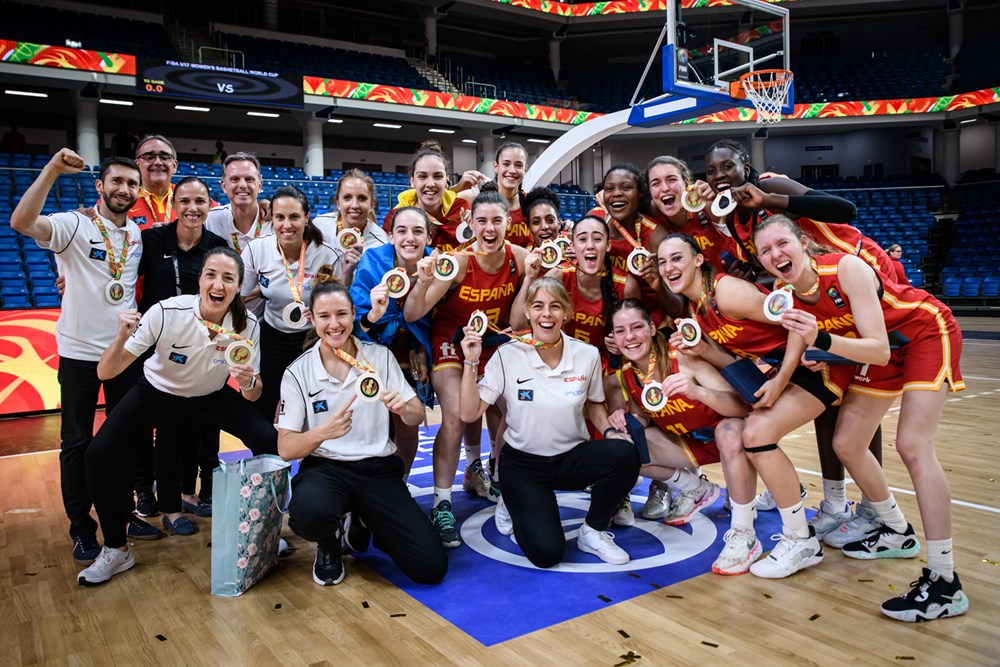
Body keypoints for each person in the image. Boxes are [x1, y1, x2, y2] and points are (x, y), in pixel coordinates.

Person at [753, 215, 968, 622]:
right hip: (880, 351)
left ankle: (944, 582)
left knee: (912, 445)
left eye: (782, 243)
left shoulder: (846, 268)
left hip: (922, 331)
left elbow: (878, 349)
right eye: (765, 251)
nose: (775, 254)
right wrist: (790, 373)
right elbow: (808, 343)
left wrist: (822, 341)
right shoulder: (784, 293)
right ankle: (897, 531)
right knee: (847, 444)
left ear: (802, 243)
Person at [78, 247, 279, 585]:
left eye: (228, 278)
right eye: (211, 275)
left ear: (238, 287)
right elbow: (105, 372)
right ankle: (116, 549)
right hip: (157, 392)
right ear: (199, 280)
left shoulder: (247, 325)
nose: (218, 284)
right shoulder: (166, 312)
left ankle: (264, 532)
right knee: (98, 455)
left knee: (269, 439)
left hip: (209, 396)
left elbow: (253, 393)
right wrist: (121, 337)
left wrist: (247, 381)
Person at [658, 233, 851, 579]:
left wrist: (780, 378)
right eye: (662, 262)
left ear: (698, 260)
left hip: (817, 364)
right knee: (731, 430)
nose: (668, 267)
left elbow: (798, 317)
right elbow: (733, 359)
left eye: (677, 258)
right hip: (784, 371)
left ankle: (800, 538)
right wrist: (703, 351)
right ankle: (746, 530)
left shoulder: (726, 292)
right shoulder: (698, 310)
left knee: (757, 434)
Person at [10, 148, 162, 567]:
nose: (124, 189)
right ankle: (81, 528)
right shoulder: (74, 224)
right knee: (76, 442)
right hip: (78, 353)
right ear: (100, 185)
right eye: (117, 181)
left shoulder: (136, 235)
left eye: (131, 183)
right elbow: (21, 222)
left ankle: (124, 515)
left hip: (123, 352)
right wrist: (52, 169)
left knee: (124, 438)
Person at [277, 267, 447, 587]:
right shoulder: (298, 372)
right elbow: (286, 449)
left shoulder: (379, 357)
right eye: (324, 316)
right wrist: (323, 432)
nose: (334, 324)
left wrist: (403, 407)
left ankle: (367, 520)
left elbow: (414, 416)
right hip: (326, 469)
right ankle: (328, 540)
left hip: (377, 470)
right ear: (311, 319)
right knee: (309, 514)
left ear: (354, 314)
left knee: (430, 568)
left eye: (341, 314)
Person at [459, 277, 641, 567]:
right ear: (527, 311)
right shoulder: (507, 355)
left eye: (555, 306)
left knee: (626, 453)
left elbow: (595, 402)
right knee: (547, 554)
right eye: (538, 306)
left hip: (571, 458)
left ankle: (592, 531)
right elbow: (469, 414)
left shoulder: (587, 354)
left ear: (566, 312)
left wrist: (608, 431)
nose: (546, 314)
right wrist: (470, 361)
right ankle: (514, 501)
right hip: (523, 464)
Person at [404, 188, 529, 546]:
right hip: (451, 343)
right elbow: (413, 313)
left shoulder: (520, 259)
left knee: (515, 409)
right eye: (482, 221)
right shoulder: (458, 262)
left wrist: (532, 279)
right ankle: (441, 503)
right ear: (470, 223)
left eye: (496, 221)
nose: (489, 228)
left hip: (492, 345)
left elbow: (519, 323)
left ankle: (495, 474)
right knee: (457, 415)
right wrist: (424, 281)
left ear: (508, 224)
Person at [607, 299, 760, 575]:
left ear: (652, 328)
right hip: (689, 444)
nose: (629, 336)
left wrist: (697, 392)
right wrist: (623, 418)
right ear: (614, 338)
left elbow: (740, 408)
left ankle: (743, 532)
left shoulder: (683, 358)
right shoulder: (628, 375)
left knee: (729, 431)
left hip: (727, 438)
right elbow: (643, 416)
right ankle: (696, 488)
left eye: (637, 327)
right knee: (625, 448)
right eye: (620, 331)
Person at [138, 176, 229, 530]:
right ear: (173, 204)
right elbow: (120, 276)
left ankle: (192, 494)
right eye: (185, 201)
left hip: (202, 347)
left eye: (200, 201)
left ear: (209, 206)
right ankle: (169, 507)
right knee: (169, 429)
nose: (192, 208)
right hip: (160, 348)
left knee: (200, 426)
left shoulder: (217, 246)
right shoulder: (151, 240)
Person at [240, 185, 342, 423]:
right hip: (272, 337)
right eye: (280, 217)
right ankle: (267, 448)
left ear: (307, 217)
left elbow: (338, 308)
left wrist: (319, 314)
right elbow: (238, 298)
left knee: (315, 410)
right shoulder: (257, 249)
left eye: (294, 217)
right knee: (263, 408)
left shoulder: (327, 255)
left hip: (312, 340)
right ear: (271, 219)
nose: (287, 225)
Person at [349, 207, 434, 474]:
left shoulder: (438, 266)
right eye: (402, 231)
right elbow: (355, 325)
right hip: (372, 349)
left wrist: (423, 351)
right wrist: (374, 314)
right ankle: (367, 485)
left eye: (418, 231)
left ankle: (401, 481)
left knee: (408, 426)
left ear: (428, 238)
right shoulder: (373, 260)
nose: (410, 238)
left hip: (412, 353)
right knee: (373, 422)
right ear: (391, 236)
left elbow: (441, 318)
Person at [595, 163, 680, 326]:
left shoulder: (657, 237)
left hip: (649, 323)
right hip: (603, 317)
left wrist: (659, 286)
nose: (616, 193)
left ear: (640, 193)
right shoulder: (594, 222)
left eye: (626, 187)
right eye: (609, 189)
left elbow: (677, 308)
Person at [382, 141, 474, 254]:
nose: (430, 184)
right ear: (412, 181)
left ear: (447, 181)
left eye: (438, 176)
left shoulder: (461, 210)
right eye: (423, 176)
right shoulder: (394, 218)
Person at [314, 168, 389, 284]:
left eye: (362, 198)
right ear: (338, 202)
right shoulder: (319, 226)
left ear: (372, 204)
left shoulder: (381, 244)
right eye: (347, 198)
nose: (354, 205)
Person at [130, 135, 180, 229]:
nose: (158, 162)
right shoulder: (124, 197)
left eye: (164, 157)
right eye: (149, 157)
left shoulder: (190, 197)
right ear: (137, 165)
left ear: (174, 166)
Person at [491, 141, 532, 247]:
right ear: (496, 166)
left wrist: (565, 226)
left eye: (518, 165)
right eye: (506, 164)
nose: (512, 170)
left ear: (525, 169)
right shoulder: (480, 202)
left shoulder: (532, 203)